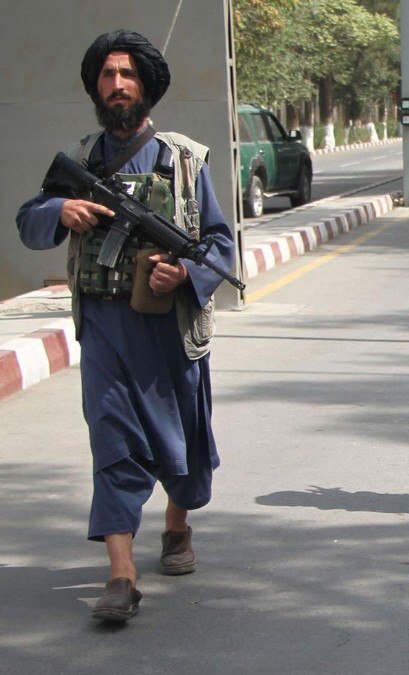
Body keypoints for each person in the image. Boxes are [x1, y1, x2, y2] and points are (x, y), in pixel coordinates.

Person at [15, 29, 236, 623]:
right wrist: (60, 209)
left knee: (184, 439)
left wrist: (183, 274)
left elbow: (220, 244)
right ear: (96, 87)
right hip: (106, 331)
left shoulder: (183, 160)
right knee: (112, 442)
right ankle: (121, 575)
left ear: (145, 87)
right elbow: (30, 220)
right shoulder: (82, 158)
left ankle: (176, 526)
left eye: (128, 75)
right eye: (108, 75)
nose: (117, 84)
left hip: (170, 330)